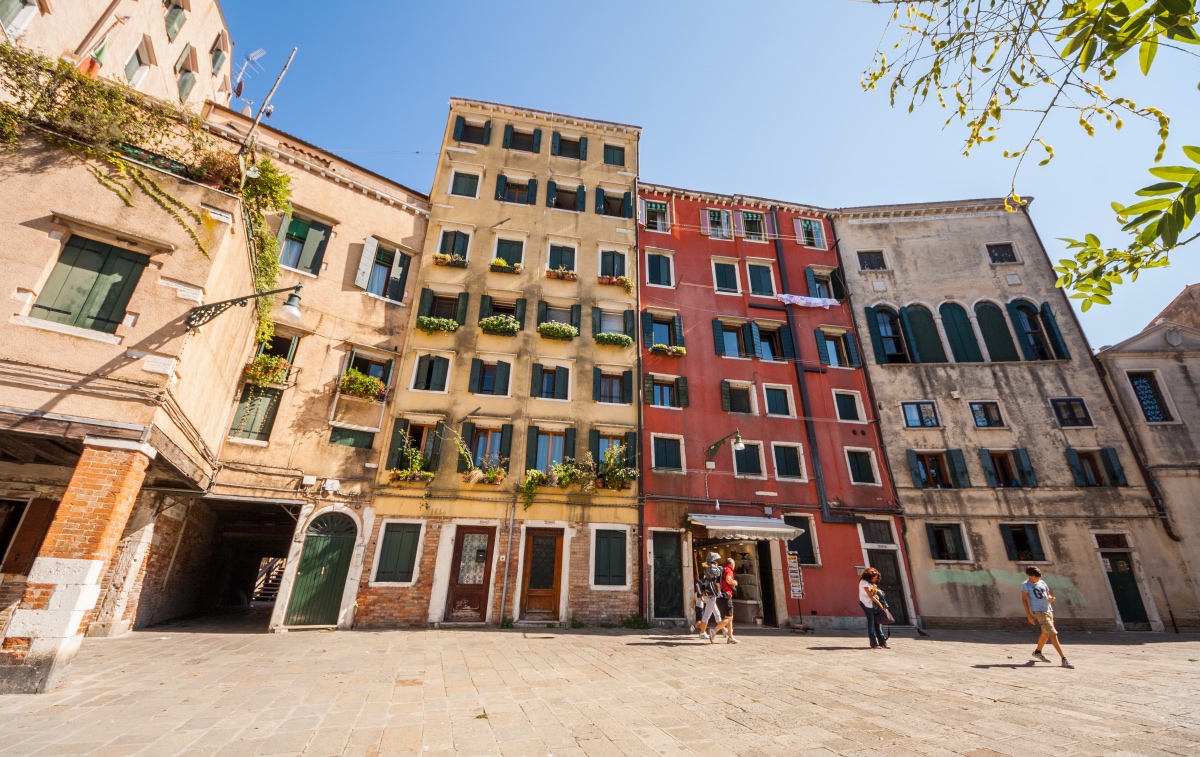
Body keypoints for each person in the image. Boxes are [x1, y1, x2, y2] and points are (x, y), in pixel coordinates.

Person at [1021, 566, 1073, 668]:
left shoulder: (1042, 582)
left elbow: (1047, 595)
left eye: (1039, 577)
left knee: (1046, 633)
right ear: (1029, 576)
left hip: (1049, 610)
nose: (1038, 579)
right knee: (1053, 633)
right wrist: (1029, 615)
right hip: (1039, 611)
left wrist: (1051, 598)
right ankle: (1064, 659)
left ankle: (1037, 652)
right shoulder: (1025, 585)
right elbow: (1024, 600)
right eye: (1036, 577)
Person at [858, 567, 889, 649]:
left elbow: (873, 593)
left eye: (876, 578)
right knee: (871, 623)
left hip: (873, 604)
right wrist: (880, 604)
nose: (875, 580)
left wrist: (875, 590)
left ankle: (883, 643)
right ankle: (874, 644)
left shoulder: (870, 583)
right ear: (868, 576)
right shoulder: (864, 583)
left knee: (878, 623)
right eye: (873, 578)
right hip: (867, 604)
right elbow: (870, 596)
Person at [713, 557, 740, 644]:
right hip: (727, 595)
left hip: (721, 595)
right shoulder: (729, 570)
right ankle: (714, 631)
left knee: (729, 617)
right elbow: (728, 580)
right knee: (729, 618)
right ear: (732, 564)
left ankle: (730, 637)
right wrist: (734, 582)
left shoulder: (723, 569)